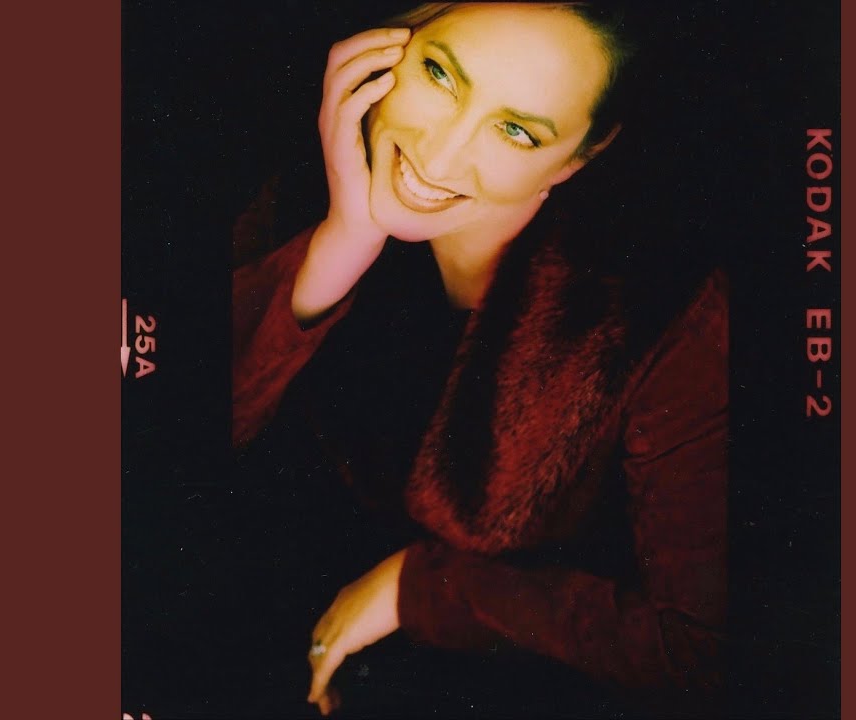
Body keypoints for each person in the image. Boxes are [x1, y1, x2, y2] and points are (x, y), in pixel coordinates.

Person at [231, 2, 727, 716]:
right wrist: (339, 247)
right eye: (439, 74)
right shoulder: (307, 184)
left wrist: (422, 591)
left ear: (579, 157)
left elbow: (699, 650)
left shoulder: (664, 316)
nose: (436, 157)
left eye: (516, 131)